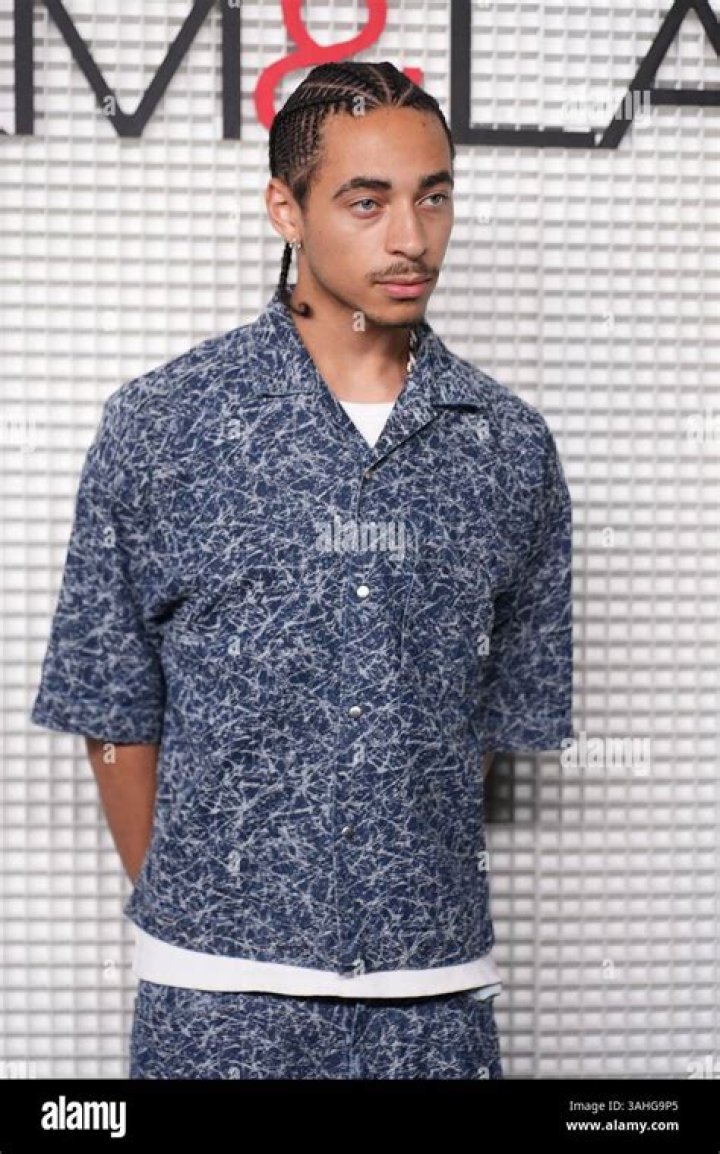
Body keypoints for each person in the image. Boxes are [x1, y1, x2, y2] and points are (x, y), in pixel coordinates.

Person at [30, 60, 574, 1080]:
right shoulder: (164, 425)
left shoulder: (510, 447)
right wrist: (201, 914)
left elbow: (488, 724)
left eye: (433, 197)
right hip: (212, 1002)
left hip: (436, 999)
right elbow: (112, 706)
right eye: (366, 202)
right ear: (286, 208)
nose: (410, 237)